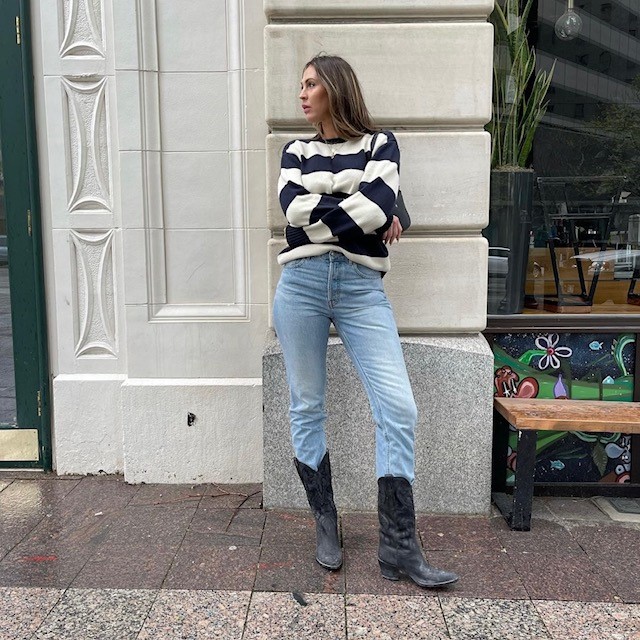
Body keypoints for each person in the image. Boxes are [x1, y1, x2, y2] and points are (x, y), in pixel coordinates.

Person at [272, 54, 458, 588]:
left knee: (398, 407)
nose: (302, 94)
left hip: (360, 290)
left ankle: (398, 548)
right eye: (300, 85)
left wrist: (340, 218)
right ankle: (325, 523)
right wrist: (363, 221)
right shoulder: (294, 150)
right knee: (307, 405)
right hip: (300, 287)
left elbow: (378, 205)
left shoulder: (381, 144)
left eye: (311, 84)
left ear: (335, 88)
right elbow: (291, 210)